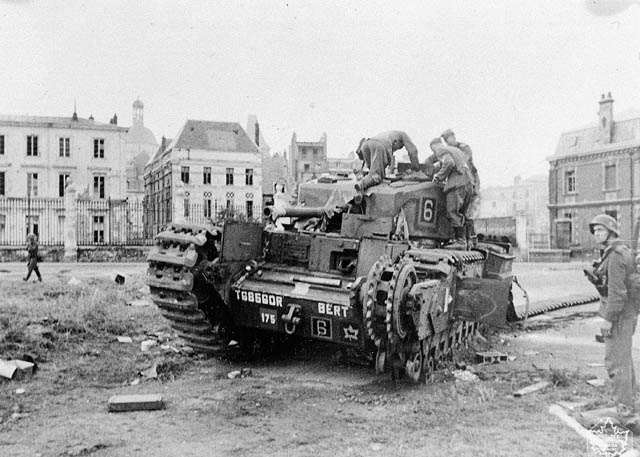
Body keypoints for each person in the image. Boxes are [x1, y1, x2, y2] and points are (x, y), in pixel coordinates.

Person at [588, 214, 639, 428]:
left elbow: (617, 294)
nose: (596, 234)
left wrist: (608, 320)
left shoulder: (616, 255)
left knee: (616, 363)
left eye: (600, 230)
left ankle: (625, 412)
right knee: (624, 361)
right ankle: (630, 403)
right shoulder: (616, 252)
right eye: (595, 230)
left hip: (618, 316)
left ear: (611, 231)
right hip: (626, 315)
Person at [354, 131, 420, 203]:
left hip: (366, 145)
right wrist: (416, 168)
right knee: (376, 176)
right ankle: (361, 184)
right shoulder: (403, 134)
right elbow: (413, 150)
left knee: (372, 176)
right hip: (378, 146)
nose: (396, 148)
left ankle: (360, 189)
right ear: (396, 142)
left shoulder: (388, 134)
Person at [430, 138, 473, 248]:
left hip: (456, 184)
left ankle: (460, 242)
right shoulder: (455, 150)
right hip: (468, 183)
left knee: (452, 212)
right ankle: (468, 241)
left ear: (434, 146)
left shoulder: (440, 150)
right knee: (463, 212)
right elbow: (449, 163)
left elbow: (449, 163)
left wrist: (439, 177)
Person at [441, 129, 479, 246]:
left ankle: (465, 240)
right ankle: (466, 240)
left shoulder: (462, 148)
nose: (448, 142)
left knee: (461, 212)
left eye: (449, 139)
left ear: (453, 136)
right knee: (462, 212)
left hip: (467, 181)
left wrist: (440, 173)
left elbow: (460, 161)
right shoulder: (452, 150)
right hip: (466, 182)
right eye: (446, 141)